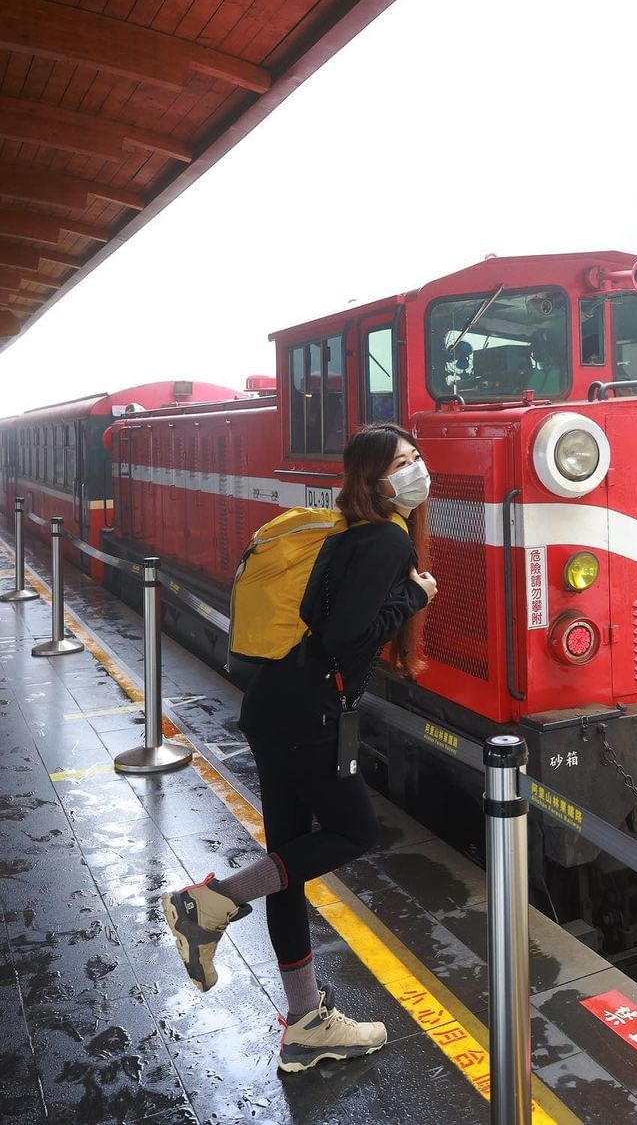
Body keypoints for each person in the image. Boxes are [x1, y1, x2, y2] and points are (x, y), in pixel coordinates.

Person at [161, 424, 437, 1073]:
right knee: (353, 832)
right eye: (402, 462)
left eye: (416, 456)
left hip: (277, 702)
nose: (416, 468)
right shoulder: (387, 542)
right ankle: (207, 903)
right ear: (374, 480)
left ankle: (305, 1020)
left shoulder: (345, 533)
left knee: (289, 857)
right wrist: (412, 596)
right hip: (307, 712)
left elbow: (315, 610)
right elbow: (345, 637)